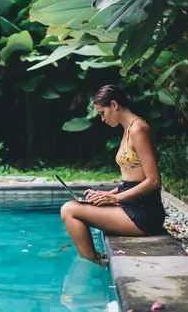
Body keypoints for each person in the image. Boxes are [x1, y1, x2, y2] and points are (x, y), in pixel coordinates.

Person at [60, 85, 166, 265]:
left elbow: (154, 181)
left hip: (143, 214)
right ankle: (95, 259)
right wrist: (109, 195)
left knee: (69, 210)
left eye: (102, 112)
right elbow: (133, 180)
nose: (102, 119)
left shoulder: (138, 129)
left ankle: (96, 263)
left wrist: (115, 199)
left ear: (114, 105)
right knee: (72, 207)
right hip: (131, 205)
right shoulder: (128, 129)